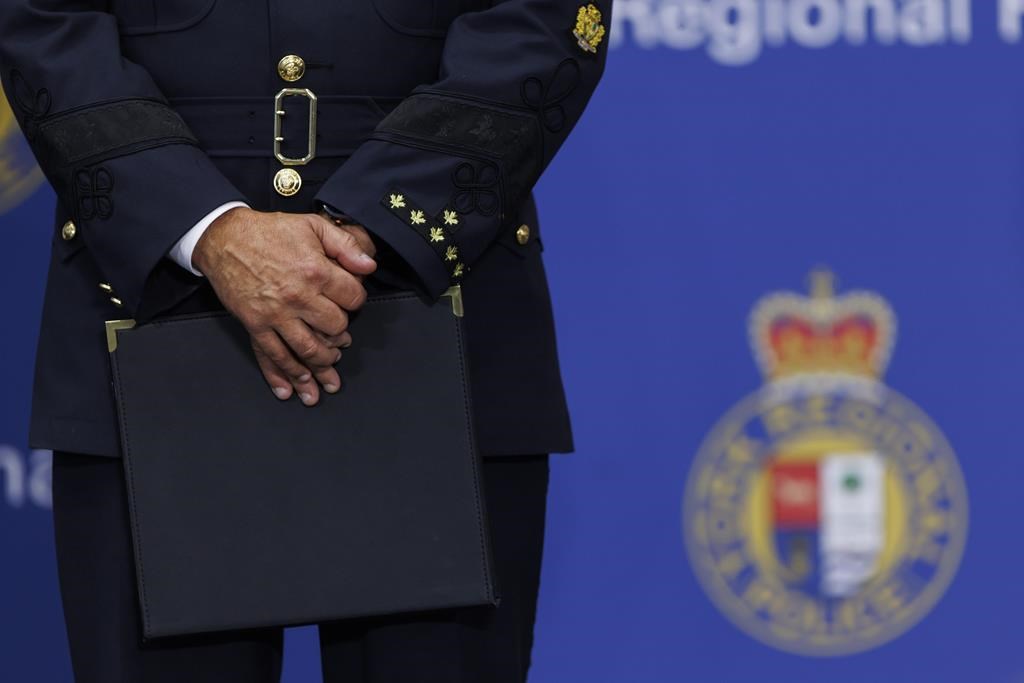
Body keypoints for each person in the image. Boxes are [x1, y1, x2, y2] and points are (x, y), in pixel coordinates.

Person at [0, 0, 608, 680]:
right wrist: (209, 231)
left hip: (441, 315)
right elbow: (46, 22)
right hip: (148, 320)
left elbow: (541, 21)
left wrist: (369, 228)